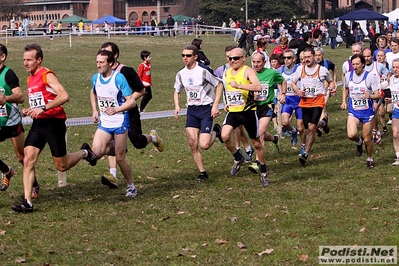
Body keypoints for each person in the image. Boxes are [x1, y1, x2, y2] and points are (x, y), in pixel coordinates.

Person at [11, 43, 97, 213]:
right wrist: (31, 110)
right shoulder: (29, 79)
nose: (25, 63)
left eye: (29, 60)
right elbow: (40, 100)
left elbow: (64, 96)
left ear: (39, 60)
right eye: (24, 60)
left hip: (54, 123)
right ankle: (28, 202)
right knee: (27, 160)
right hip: (38, 124)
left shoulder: (46, 75)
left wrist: (43, 108)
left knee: (62, 165)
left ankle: (85, 152)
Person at [100, 42, 164, 186]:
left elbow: (141, 91)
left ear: (115, 55)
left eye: (107, 53)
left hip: (129, 112)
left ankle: (153, 137)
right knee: (111, 142)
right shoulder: (101, 75)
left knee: (138, 142)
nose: (103, 56)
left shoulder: (126, 71)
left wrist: (126, 103)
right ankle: (113, 176)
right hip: (112, 115)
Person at [90, 49, 137, 197]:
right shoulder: (95, 78)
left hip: (120, 121)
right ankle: (112, 145)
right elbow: (93, 92)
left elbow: (132, 102)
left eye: (102, 62)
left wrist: (116, 109)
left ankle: (131, 186)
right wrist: (95, 110)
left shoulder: (119, 78)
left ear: (110, 63)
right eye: (97, 62)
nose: (98, 65)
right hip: (105, 122)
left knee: (120, 158)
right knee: (95, 154)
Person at [174, 45, 223, 181]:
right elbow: (177, 90)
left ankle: (216, 131)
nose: (185, 58)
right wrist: (177, 105)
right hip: (192, 110)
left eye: (188, 55)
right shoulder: (181, 73)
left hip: (206, 108)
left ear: (195, 56)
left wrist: (215, 105)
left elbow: (219, 85)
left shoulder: (204, 70)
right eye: (183, 55)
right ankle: (203, 173)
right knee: (192, 143)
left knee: (204, 145)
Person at [221, 48, 269, 186]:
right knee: (224, 136)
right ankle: (238, 157)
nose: (232, 61)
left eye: (235, 58)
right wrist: (227, 103)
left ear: (243, 58)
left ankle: (264, 171)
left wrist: (240, 85)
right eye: (230, 58)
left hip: (248, 111)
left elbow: (258, 87)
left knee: (257, 143)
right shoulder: (227, 72)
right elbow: (228, 90)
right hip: (234, 111)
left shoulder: (248, 70)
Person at [291, 47, 335, 165]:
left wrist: (332, 88)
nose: (306, 59)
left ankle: (306, 153)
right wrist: (299, 92)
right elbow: (293, 83)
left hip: (317, 101)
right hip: (305, 102)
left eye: (309, 57)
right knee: (307, 129)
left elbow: (330, 81)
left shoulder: (322, 70)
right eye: (304, 57)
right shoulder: (300, 69)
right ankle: (324, 122)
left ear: (314, 56)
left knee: (311, 128)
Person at [247, 52, 286, 174]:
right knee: (259, 134)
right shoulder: (248, 73)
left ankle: (257, 162)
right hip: (253, 106)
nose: (256, 64)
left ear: (264, 62)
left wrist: (282, 93)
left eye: (259, 62)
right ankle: (274, 139)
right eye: (254, 62)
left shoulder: (271, 73)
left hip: (266, 105)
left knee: (261, 132)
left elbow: (283, 81)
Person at [340, 54, 381, 169]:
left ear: (363, 64)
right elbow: (345, 88)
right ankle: (358, 142)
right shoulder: (349, 76)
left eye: (358, 64)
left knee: (367, 139)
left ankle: (369, 158)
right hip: (354, 111)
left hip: (367, 113)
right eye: (353, 64)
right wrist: (344, 101)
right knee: (351, 134)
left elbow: (378, 94)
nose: (355, 66)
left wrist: (371, 96)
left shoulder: (370, 77)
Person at [0, 44, 25, 191]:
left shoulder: (9, 74)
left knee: (22, 157)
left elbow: (20, 97)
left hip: (12, 121)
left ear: (2, 57)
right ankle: (6, 170)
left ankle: (34, 185)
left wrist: (5, 99)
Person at [362, 48, 390, 143]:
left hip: (377, 94)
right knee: (370, 114)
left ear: (372, 56)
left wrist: (385, 82)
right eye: (364, 56)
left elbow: (388, 74)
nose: (366, 58)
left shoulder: (378, 66)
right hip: (365, 94)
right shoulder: (361, 67)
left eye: (368, 56)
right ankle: (375, 130)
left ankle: (375, 132)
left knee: (374, 111)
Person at [278, 49, 304, 149]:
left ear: (294, 59)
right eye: (284, 58)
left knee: (301, 127)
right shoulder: (280, 70)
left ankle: (303, 146)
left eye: (288, 58)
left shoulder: (299, 68)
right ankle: (293, 130)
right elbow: (278, 82)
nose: (286, 60)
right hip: (287, 100)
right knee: (284, 123)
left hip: (299, 101)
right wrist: (281, 93)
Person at [314, 47, 337, 137]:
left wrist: (334, 81)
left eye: (319, 55)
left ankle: (319, 126)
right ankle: (324, 122)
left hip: (326, 89)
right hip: (316, 90)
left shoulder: (327, 63)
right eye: (315, 55)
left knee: (322, 105)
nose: (317, 57)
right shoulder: (311, 64)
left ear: (322, 55)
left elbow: (334, 69)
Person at [387, 58, 399, 165]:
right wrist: (390, 99)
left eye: (397, 67)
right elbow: (392, 94)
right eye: (393, 67)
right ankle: (398, 156)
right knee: (395, 134)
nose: (395, 69)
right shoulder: (391, 79)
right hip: (396, 110)